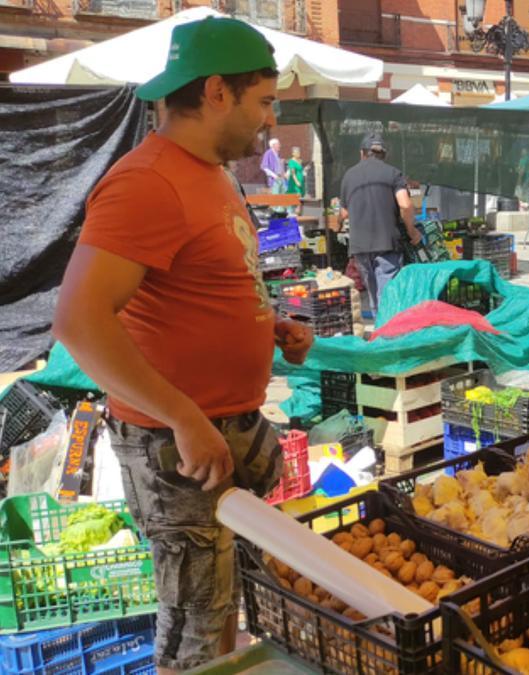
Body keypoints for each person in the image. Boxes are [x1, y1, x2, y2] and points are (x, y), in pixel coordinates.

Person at [51, 18, 312, 673]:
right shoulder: (148, 181)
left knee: (222, 607)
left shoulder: (211, 172)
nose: (270, 119)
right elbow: (80, 321)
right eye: (263, 101)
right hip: (178, 445)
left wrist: (266, 321)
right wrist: (183, 416)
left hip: (223, 426)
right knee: (195, 629)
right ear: (218, 93)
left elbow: (196, 284)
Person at [337, 133, 418, 320]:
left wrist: (338, 225)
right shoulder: (393, 173)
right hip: (387, 244)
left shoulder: (349, 175)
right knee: (388, 295)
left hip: (360, 246)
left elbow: (343, 213)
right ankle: (387, 336)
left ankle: (379, 333)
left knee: (373, 294)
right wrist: (412, 232)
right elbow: (405, 205)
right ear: (384, 154)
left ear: (362, 153)